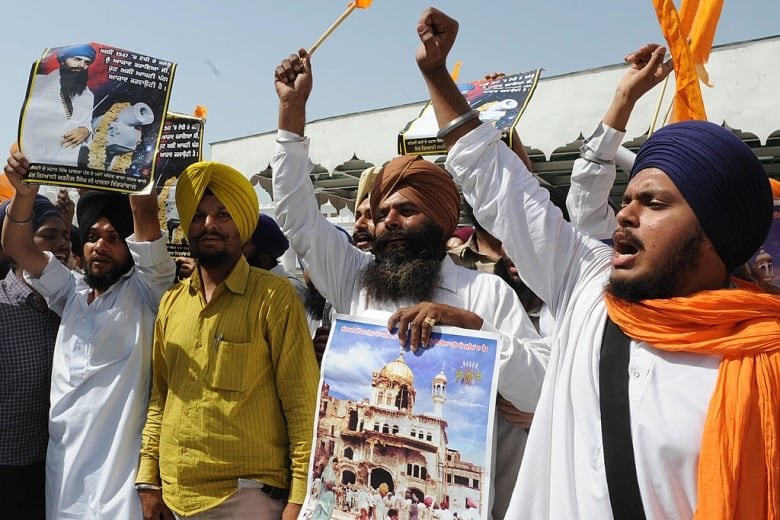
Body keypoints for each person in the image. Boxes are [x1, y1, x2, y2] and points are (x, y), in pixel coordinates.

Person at [414, 7, 779, 519]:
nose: (623, 215)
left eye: (653, 204)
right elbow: (497, 181)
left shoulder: (760, 367)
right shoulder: (588, 289)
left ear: (714, 233)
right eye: (627, 199)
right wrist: (435, 74)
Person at [273, 49, 548, 520]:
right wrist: (291, 116)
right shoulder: (357, 281)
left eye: (406, 210)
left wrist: (474, 330)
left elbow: (539, 391)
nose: (390, 222)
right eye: (382, 215)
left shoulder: (486, 294)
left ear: (441, 221)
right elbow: (297, 216)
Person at [136, 161, 319, 520]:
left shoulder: (274, 297)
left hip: (245, 497)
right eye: (199, 215)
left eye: (223, 214)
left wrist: (300, 497)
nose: (210, 225)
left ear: (243, 226)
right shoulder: (172, 302)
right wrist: (148, 480)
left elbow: (302, 403)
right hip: (174, 496)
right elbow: (160, 398)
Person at [2, 149, 175, 518]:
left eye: (114, 237)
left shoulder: (147, 292)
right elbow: (17, 246)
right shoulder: (71, 292)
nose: (100, 245)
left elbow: (144, 214)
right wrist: (25, 194)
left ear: (131, 248)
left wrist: (140, 160)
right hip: (63, 478)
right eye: (93, 235)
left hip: (120, 488)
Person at [0, 195, 68, 518]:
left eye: (66, 236)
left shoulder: (74, 306)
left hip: (52, 471)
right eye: (50, 235)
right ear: (20, 244)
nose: (63, 245)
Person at [22, 44, 96, 166]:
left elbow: (87, 122)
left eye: (87, 63)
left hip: (67, 162)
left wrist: (85, 130)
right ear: (63, 61)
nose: (82, 65)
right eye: (77, 59)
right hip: (36, 156)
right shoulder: (39, 84)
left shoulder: (88, 95)